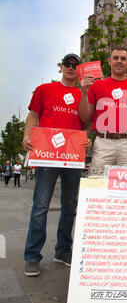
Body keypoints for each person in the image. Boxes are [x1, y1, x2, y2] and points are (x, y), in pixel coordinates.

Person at [22, 53, 92, 277]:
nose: (71, 68)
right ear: (61, 67)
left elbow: (88, 121)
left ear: (79, 70)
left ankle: (63, 251)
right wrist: (27, 135)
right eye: (68, 64)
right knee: (40, 206)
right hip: (47, 155)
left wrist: (88, 137)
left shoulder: (84, 94)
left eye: (75, 65)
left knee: (70, 206)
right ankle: (32, 256)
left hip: (72, 156)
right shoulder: (44, 89)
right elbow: (33, 115)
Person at [79, 46, 127, 175]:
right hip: (103, 142)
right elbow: (85, 117)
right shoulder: (96, 86)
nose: (119, 61)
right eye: (115, 58)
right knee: (97, 185)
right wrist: (84, 92)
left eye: (123, 59)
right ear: (109, 61)